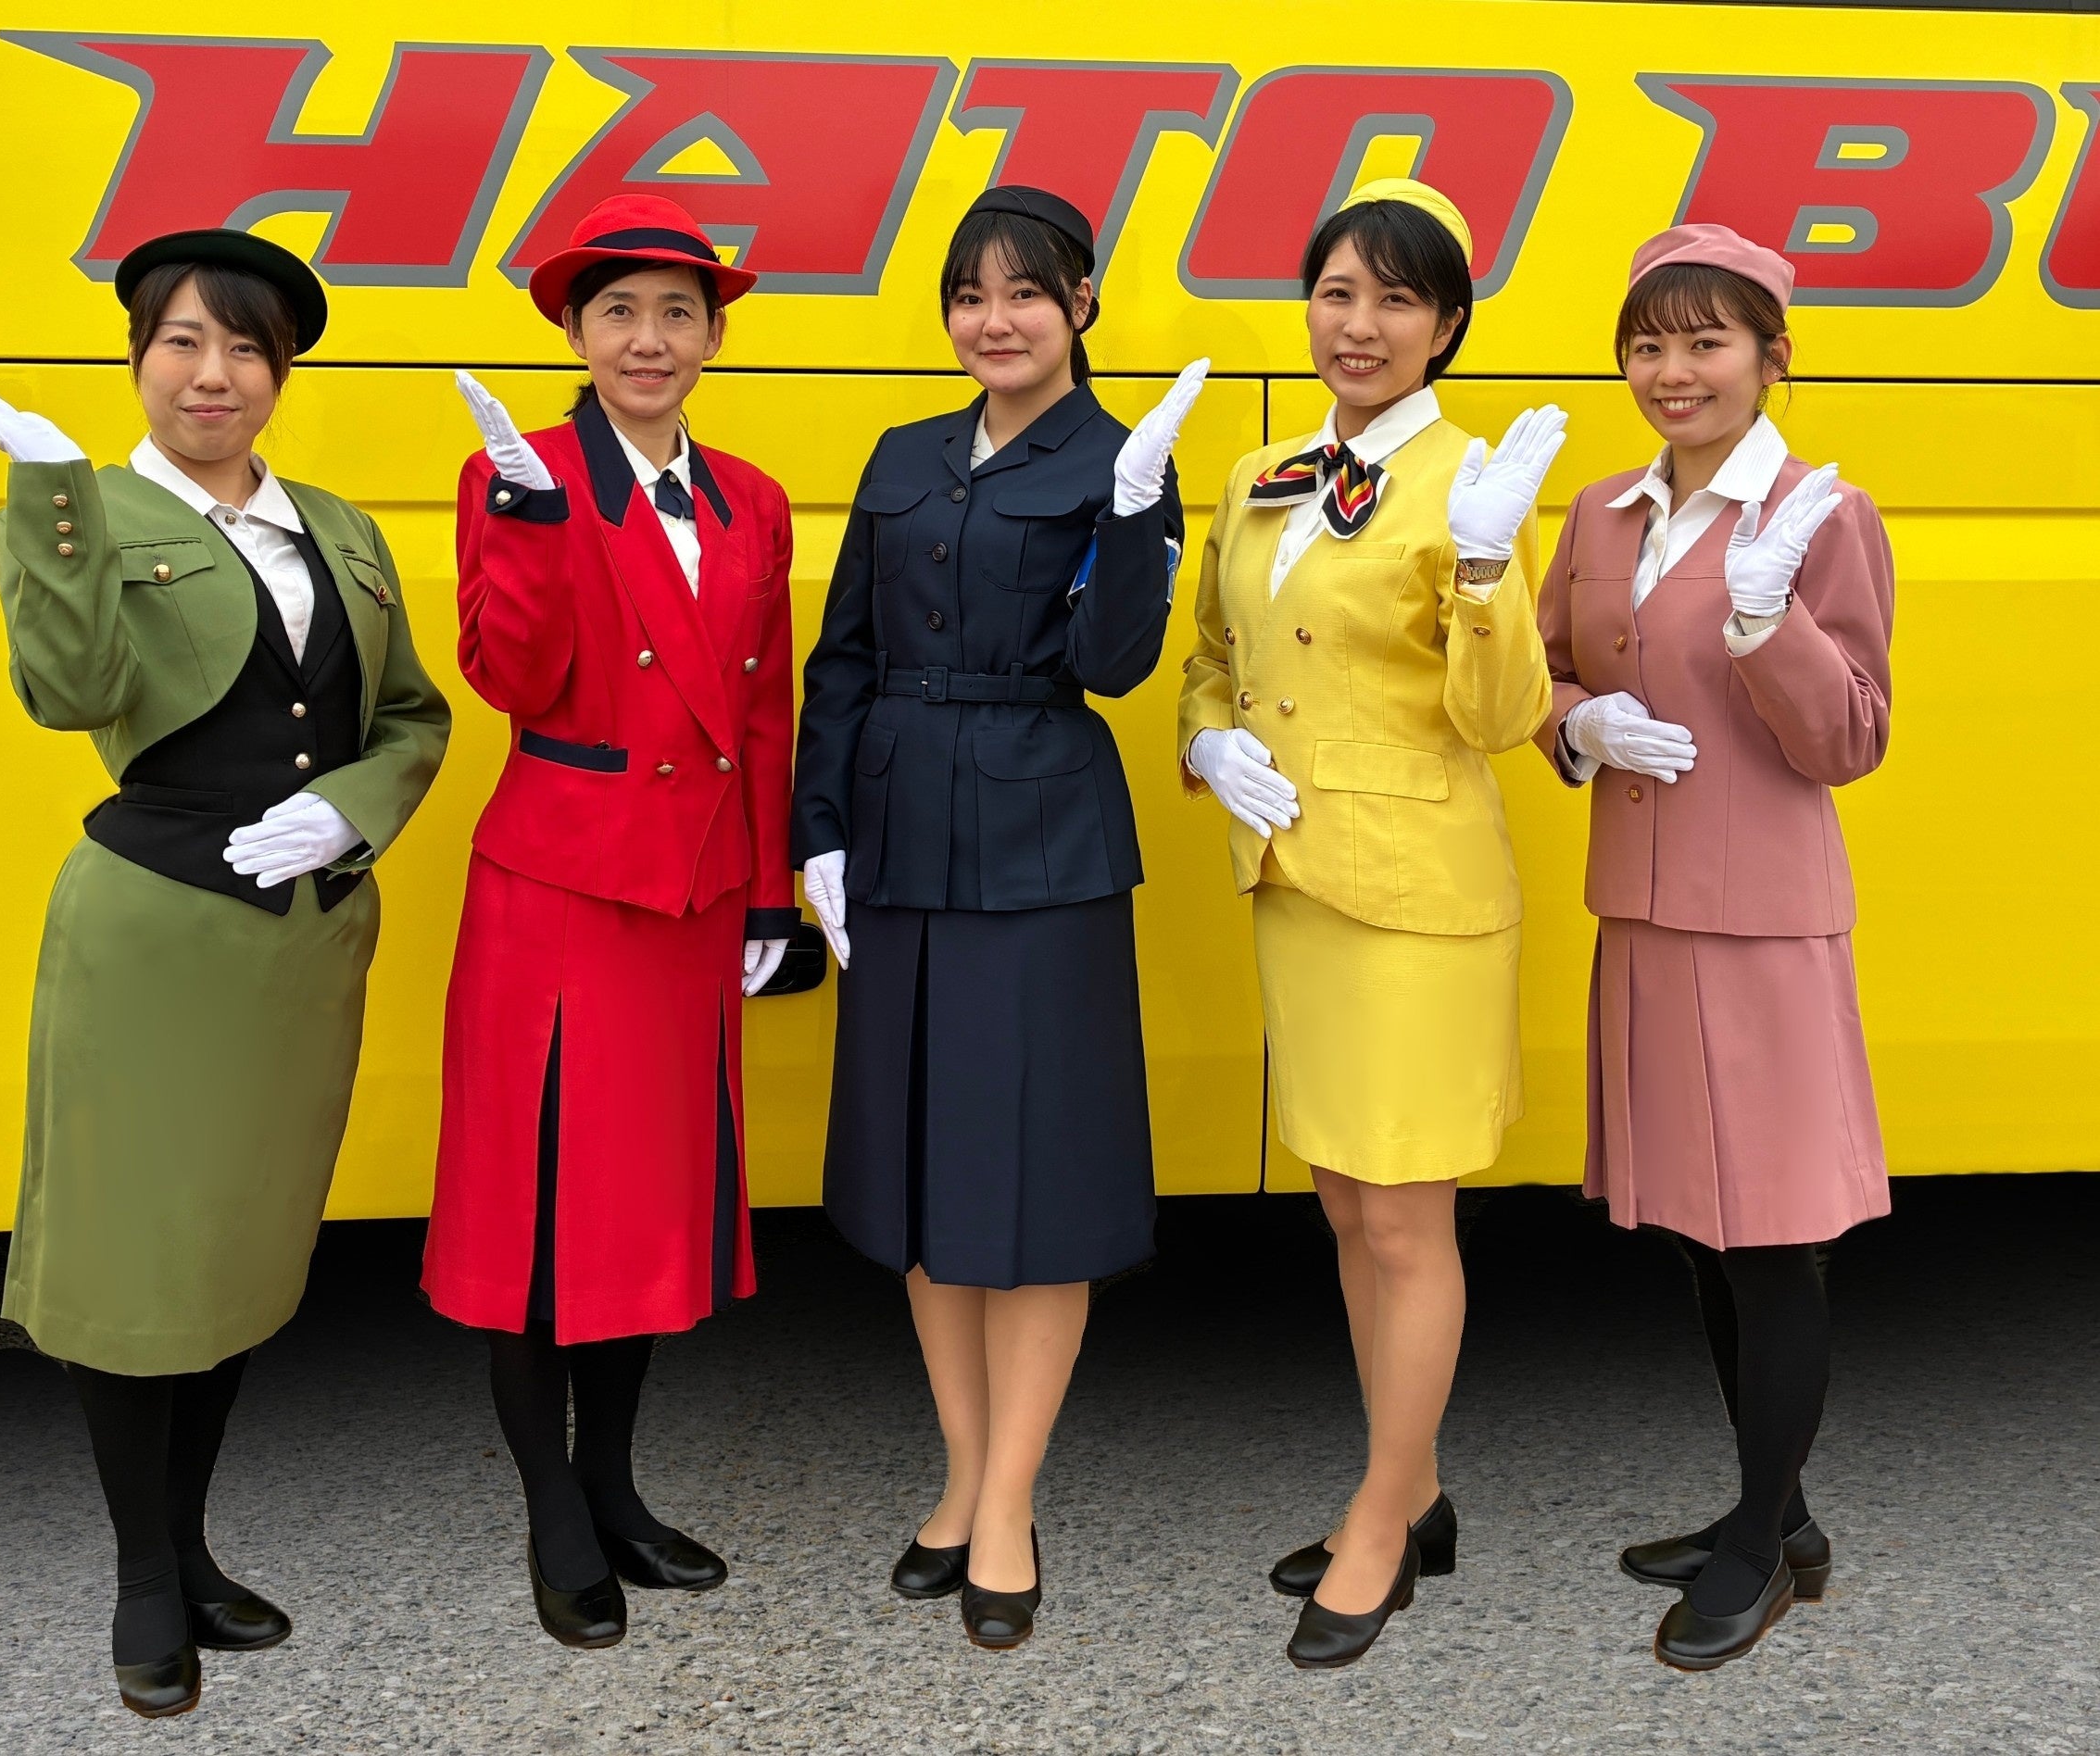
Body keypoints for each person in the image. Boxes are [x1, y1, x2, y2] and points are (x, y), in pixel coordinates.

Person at [0, 229, 450, 1718]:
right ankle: (144, 1577)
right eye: (182, 341)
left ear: (279, 374)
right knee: (131, 1264)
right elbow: (68, 693)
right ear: (139, 359)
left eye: (244, 349)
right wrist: (50, 497)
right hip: (152, 941)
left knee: (232, 1256)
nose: (212, 373)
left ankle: (195, 1542)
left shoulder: (339, 528)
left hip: (301, 945)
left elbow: (409, 716)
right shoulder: (87, 510)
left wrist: (350, 811)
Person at [792, 185, 1202, 1650]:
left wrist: (1137, 515)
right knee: (924, 1175)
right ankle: (962, 1477)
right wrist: (816, 828)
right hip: (897, 836)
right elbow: (842, 655)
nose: (995, 319)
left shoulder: (1117, 460)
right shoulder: (903, 454)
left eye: (1025, 291)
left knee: (1030, 1191)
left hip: (1040, 848)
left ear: (1080, 304)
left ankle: (1011, 1502)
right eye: (969, 294)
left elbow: (1112, 665)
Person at [1176, 180, 1566, 1669]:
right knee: (1347, 1204)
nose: (1359, 323)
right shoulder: (1260, 470)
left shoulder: (1475, 484)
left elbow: (1501, 714)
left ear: (1445, 324)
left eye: (1395, 298)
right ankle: (1417, 1488)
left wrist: (1484, 565)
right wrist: (1205, 739)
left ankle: (1378, 1523)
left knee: (1405, 1219)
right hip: (1294, 886)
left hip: (1414, 901)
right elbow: (1214, 649)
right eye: (1336, 291)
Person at [421, 194, 798, 1650]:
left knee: (643, 1218)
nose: (649, 339)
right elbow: (510, 680)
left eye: (677, 314)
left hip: (691, 893)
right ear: (576, 333)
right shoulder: (512, 473)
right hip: (561, 891)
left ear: (712, 339)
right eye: (619, 312)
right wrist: (524, 532)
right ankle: (553, 1513)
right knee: (534, 1224)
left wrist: (768, 891)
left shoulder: (750, 497)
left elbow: (760, 713)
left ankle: (614, 1487)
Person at [1534, 222, 1893, 1670]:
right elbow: (1548, 670)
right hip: (1639, 910)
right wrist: (1576, 724)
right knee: (1696, 1223)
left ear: (1769, 356)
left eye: (1704, 341)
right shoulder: (1600, 513)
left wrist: (1763, 625)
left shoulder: (1819, 514)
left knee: (1773, 1240)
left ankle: (1758, 1549)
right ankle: (1778, 1512)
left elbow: (1850, 736)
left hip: (1758, 926)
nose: (1670, 370)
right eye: (1646, 343)